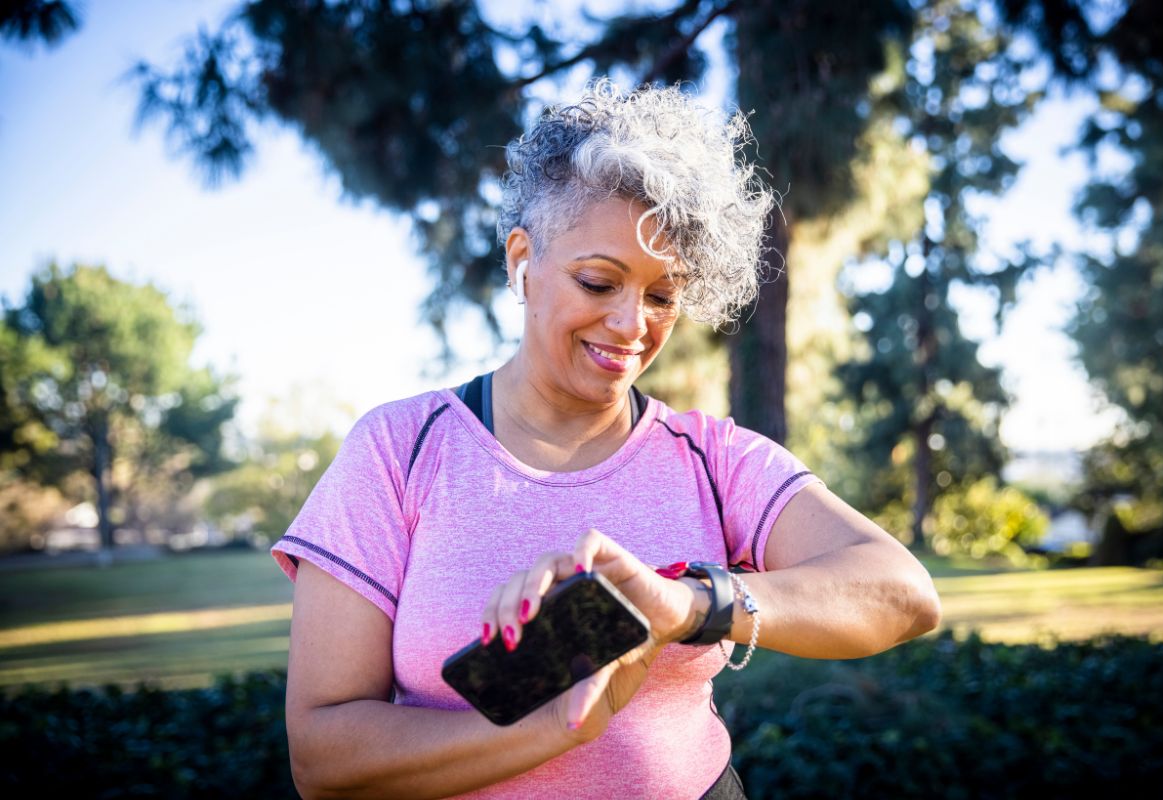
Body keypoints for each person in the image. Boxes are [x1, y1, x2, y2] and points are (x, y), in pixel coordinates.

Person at [270, 78, 941, 800]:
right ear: (522, 262)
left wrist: (687, 605)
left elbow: (904, 595)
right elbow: (323, 758)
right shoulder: (399, 451)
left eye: (662, 296)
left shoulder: (715, 460)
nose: (632, 325)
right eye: (598, 282)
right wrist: (550, 729)